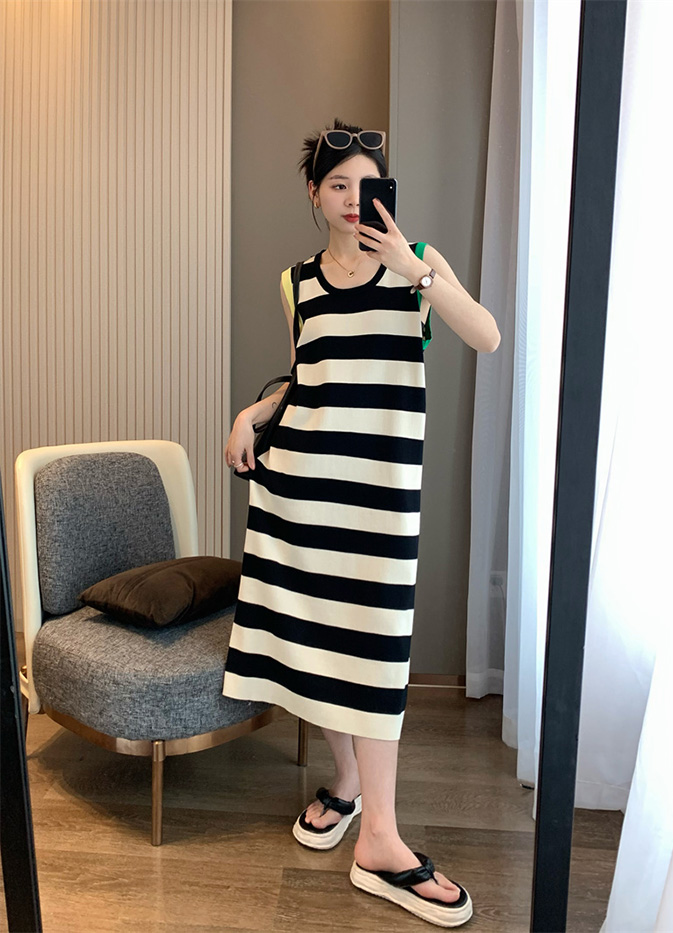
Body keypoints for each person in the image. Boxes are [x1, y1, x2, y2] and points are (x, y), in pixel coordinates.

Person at [223, 118, 500, 928]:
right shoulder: (296, 282)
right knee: (317, 645)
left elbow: (485, 336)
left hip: (378, 502)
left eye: (367, 184)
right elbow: (310, 379)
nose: (353, 198)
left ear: (386, 191)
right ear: (315, 194)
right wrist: (252, 411)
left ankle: (379, 834)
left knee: (373, 657)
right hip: (302, 494)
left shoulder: (418, 264)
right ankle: (350, 788)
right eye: (338, 184)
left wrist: (417, 271)